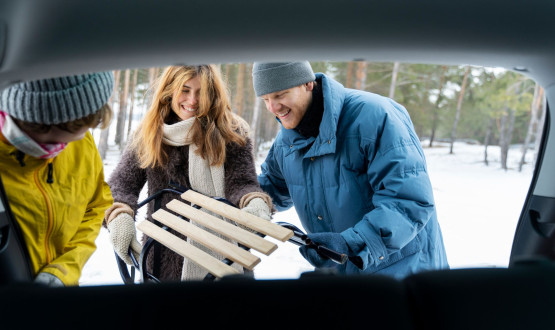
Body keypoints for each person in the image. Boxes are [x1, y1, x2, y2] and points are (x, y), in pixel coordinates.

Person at [252, 61, 449, 279]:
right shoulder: (286, 141)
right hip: (343, 275)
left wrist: (350, 244)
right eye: (266, 100)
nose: (272, 108)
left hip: (403, 274)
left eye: (280, 95)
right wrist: (242, 199)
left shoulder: (375, 117)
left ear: (308, 83)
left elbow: (408, 202)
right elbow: (271, 189)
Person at [106, 65, 273, 281]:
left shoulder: (231, 130)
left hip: (226, 258)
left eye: (201, 91)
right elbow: (122, 184)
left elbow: (241, 183)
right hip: (161, 256)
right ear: (169, 90)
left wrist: (255, 201)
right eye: (184, 90)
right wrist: (119, 214)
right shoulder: (148, 133)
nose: (193, 100)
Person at [0, 71, 115, 286]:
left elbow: (95, 207)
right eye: (56, 141)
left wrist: (63, 272)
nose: (82, 138)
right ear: (40, 121)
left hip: (57, 297)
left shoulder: (81, 141)